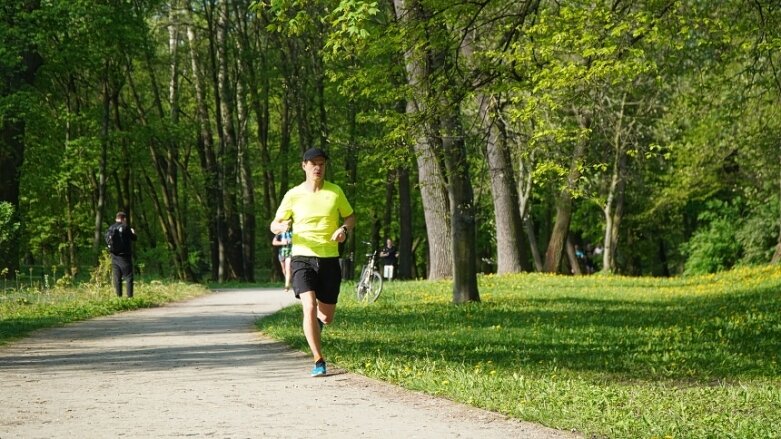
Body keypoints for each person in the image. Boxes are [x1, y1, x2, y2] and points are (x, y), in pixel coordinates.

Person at [270, 148, 355, 377]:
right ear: (304, 166)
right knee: (309, 306)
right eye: (313, 163)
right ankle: (319, 359)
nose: (318, 167)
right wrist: (281, 227)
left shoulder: (335, 192)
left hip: (329, 258)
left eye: (322, 163)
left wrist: (343, 229)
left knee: (326, 317)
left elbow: (350, 216)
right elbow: (274, 224)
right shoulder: (293, 194)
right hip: (301, 257)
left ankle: (316, 327)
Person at [105, 211, 137, 298]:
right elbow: (134, 238)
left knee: (117, 278)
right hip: (125, 256)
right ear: (124, 219)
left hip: (114, 256)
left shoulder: (111, 228)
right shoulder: (125, 227)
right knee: (129, 277)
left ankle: (119, 298)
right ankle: (130, 298)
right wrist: (133, 232)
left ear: (116, 218)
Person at [272, 225, 293, 292]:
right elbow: (274, 242)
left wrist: (291, 241)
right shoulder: (280, 233)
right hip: (282, 253)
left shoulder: (293, 232)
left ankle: (286, 286)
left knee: (288, 269)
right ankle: (290, 281)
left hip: (290, 253)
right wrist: (282, 242)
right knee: (284, 270)